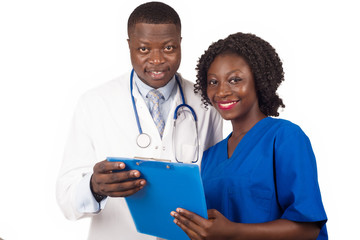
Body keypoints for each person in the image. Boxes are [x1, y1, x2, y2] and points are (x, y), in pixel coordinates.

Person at [56, 2, 223, 240]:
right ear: (129, 46)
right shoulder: (94, 102)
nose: (157, 60)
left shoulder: (206, 103)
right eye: (144, 49)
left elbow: (216, 180)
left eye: (169, 47)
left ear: (181, 43)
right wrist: (94, 187)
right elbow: (66, 199)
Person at [171, 32, 328, 239]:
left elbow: (308, 228)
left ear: (259, 80)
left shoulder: (285, 137)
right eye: (213, 82)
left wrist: (233, 232)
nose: (222, 92)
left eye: (235, 80)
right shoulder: (210, 156)